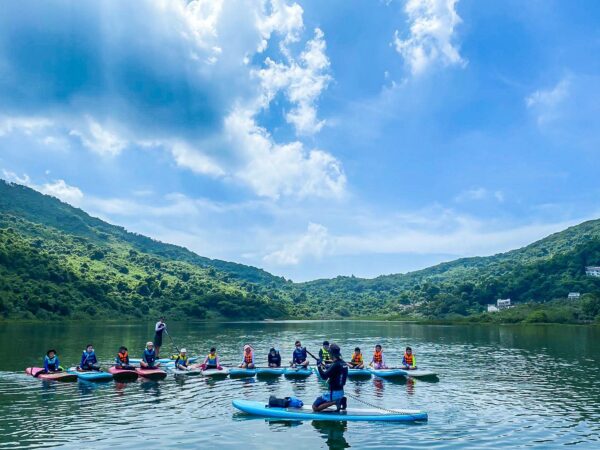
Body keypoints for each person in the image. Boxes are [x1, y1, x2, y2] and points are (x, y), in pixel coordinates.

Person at [313, 343, 348, 412]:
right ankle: (341, 399)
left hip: (333, 393)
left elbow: (324, 376)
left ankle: (336, 402)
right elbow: (336, 371)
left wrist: (319, 366)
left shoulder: (335, 365)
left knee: (315, 407)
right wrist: (328, 367)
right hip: (341, 392)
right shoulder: (344, 363)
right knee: (320, 400)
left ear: (331, 354)